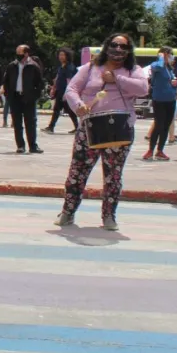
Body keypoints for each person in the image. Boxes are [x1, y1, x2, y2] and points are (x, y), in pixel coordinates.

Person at [57, 33, 149, 230]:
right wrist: (78, 105)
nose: (118, 50)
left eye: (123, 47)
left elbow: (143, 89)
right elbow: (71, 89)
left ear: (128, 51)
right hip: (90, 128)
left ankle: (109, 216)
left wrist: (117, 78)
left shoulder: (134, 70)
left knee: (113, 175)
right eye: (114, 45)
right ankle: (68, 212)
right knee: (77, 172)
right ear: (107, 47)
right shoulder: (89, 68)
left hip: (120, 128)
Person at [3, 44, 44, 154]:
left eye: (20, 53)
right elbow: (6, 81)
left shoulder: (33, 66)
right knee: (17, 123)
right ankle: (20, 146)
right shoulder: (12, 66)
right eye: (16, 53)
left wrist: (35, 96)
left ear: (26, 53)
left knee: (31, 122)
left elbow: (40, 83)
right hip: (15, 97)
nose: (17, 55)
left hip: (29, 98)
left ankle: (33, 146)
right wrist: (8, 94)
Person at [145, 46, 177, 161]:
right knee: (159, 125)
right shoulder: (156, 65)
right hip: (159, 100)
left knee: (165, 126)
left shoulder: (170, 68)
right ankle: (150, 150)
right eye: (169, 54)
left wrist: (174, 84)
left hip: (170, 100)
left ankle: (160, 150)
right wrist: (160, 58)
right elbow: (158, 66)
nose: (171, 56)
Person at [44, 48, 79, 134]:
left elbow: (69, 80)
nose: (61, 57)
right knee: (64, 110)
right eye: (60, 55)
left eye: (63, 55)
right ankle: (77, 127)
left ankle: (51, 127)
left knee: (61, 110)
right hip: (60, 91)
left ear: (67, 56)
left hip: (65, 92)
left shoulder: (69, 67)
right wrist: (54, 88)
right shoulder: (61, 66)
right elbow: (58, 78)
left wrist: (67, 93)